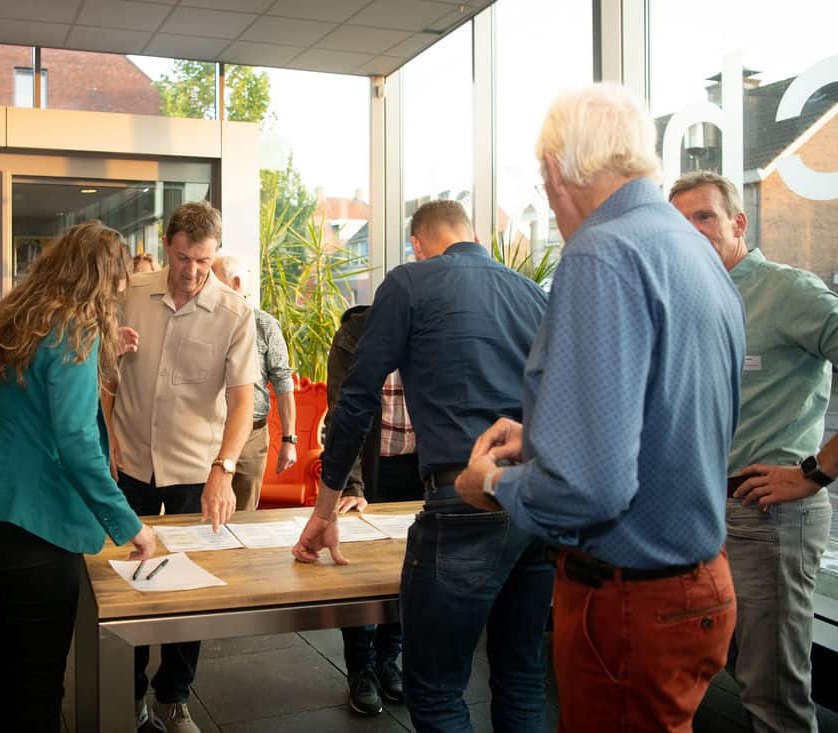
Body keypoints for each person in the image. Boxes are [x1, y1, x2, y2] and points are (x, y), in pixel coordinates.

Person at [456, 84, 746, 732]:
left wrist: (492, 483)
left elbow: (588, 490)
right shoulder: (695, 249)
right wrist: (544, 435)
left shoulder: (601, 252)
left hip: (629, 602)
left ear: (556, 170)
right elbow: (673, 416)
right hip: (700, 587)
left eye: (543, 183)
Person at [292, 200, 554, 732]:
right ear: (474, 234)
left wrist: (325, 509)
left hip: (464, 500)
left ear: (417, 244)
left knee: (435, 689)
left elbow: (356, 400)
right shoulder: (532, 293)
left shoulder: (410, 283)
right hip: (537, 499)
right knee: (521, 676)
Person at [0, 221, 157, 733]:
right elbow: (77, 443)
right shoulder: (73, 330)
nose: (119, 295)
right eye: (118, 283)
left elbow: (32, 401)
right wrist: (129, 525)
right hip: (29, 527)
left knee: (9, 667)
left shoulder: (18, 316)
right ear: (101, 279)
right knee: (38, 681)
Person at [670, 170, 836, 732]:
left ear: (739, 222)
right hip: (704, 515)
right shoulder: (692, 301)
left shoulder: (787, 291)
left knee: (774, 697)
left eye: (705, 216)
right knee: (738, 674)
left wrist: (814, 473)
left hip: (768, 517)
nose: (693, 231)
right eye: (680, 223)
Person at [106, 201, 257, 733]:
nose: (192, 272)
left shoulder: (235, 313)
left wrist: (224, 469)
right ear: (166, 246)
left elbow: (242, 401)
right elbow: (107, 372)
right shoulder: (130, 294)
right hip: (131, 462)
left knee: (190, 587)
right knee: (128, 580)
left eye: (203, 261)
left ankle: (173, 695)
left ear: (215, 255)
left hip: (197, 468)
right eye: (182, 258)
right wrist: (108, 435)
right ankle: (129, 696)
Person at [326, 304, 424, 716]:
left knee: (408, 570)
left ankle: (387, 660)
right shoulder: (353, 337)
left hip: (418, 469)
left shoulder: (433, 329)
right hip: (369, 468)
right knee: (359, 572)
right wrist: (350, 485)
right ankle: (361, 669)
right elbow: (342, 414)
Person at [211, 255, 297, 510]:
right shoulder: (203, 322)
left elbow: (283, 382)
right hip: (209, 434)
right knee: (205, 513)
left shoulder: (264, 325)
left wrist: (289, 441)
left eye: (213, 280)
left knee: (245, 516)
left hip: (252, 436)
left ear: (236, 283)